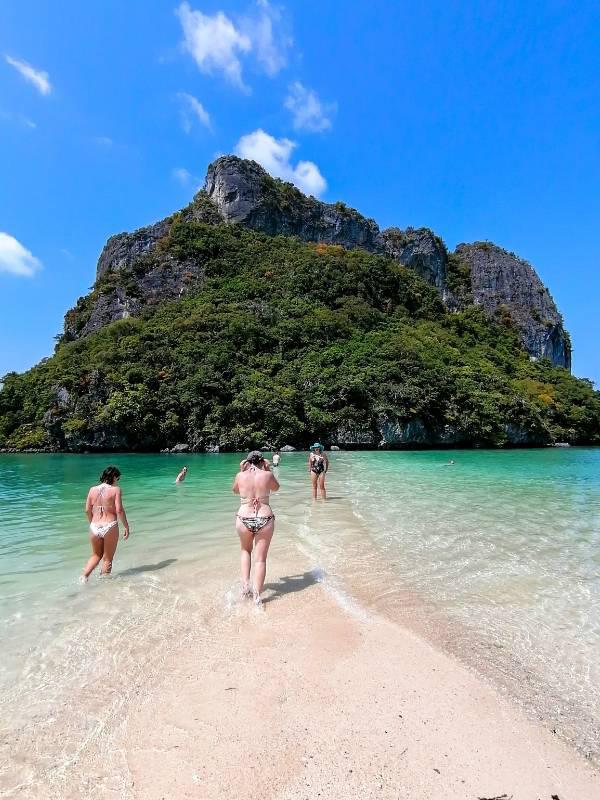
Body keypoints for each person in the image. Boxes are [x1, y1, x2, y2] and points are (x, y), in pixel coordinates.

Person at [233, 450, 279, 605]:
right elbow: (276, 488)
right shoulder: (267, 475)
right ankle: (257, 597)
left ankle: (245, 587)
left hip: (243, 517)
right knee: (260, 560)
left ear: (247, 462)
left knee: (245, 550)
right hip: (264, 518)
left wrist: (241, 471)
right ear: (262, 461)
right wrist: (268, 469)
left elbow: (235, 491)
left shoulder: (241, 476)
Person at [81, 466, 130, 581]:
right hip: (110, 526)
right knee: (107, 559)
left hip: (94, 526)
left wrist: (92, 523)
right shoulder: (116, 490)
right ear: (114, 477)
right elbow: (119, 510)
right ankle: (104, 585)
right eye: (118, 479)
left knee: (96, 555)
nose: (117, 482)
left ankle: (84, 577)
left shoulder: (92, 489)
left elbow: (87, 510)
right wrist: (126, 527)